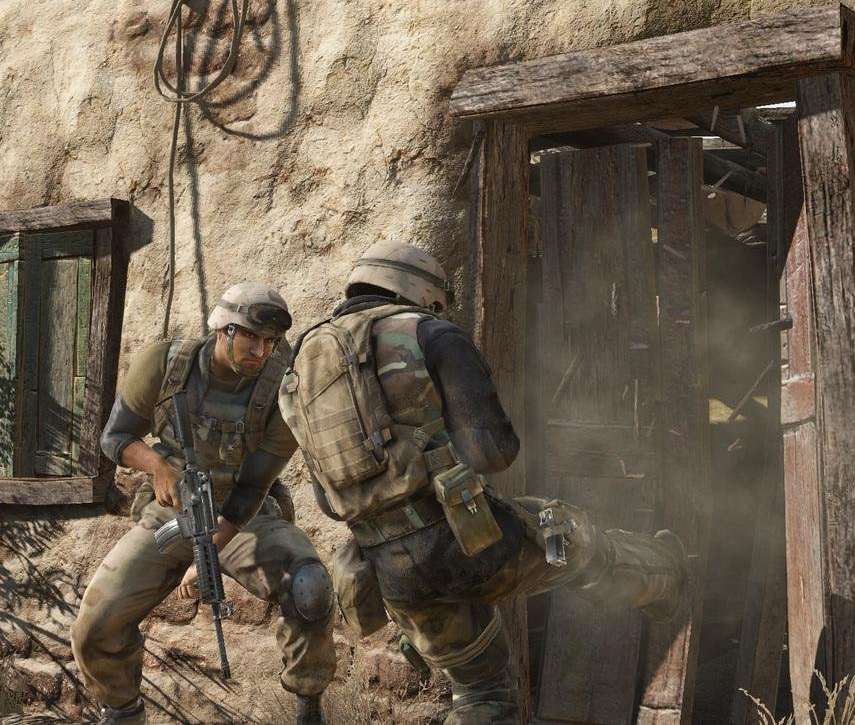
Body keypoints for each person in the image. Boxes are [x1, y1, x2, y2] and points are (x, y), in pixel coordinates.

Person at [278, 241, 686, 723]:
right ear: (422, 293)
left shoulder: (300, 367)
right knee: (575, 538)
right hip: (473, 549)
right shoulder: (430, 332)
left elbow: (329, 502)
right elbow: (492, 453)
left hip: (390, 572)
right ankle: (667, 578)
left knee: (481, 691)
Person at [72, 284, 336, 725]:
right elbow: (114, 438)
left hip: (246, 519)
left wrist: (208, 553)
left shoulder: (283, 387)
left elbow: (253, 488)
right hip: (171, 512)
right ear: (221, 328)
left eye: (270, 341)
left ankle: (308, 709)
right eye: (249, 336)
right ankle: (122, 713)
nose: (260, 350)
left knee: (311, 587)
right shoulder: (164, 363)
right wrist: (158, 467)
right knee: (95, 625)